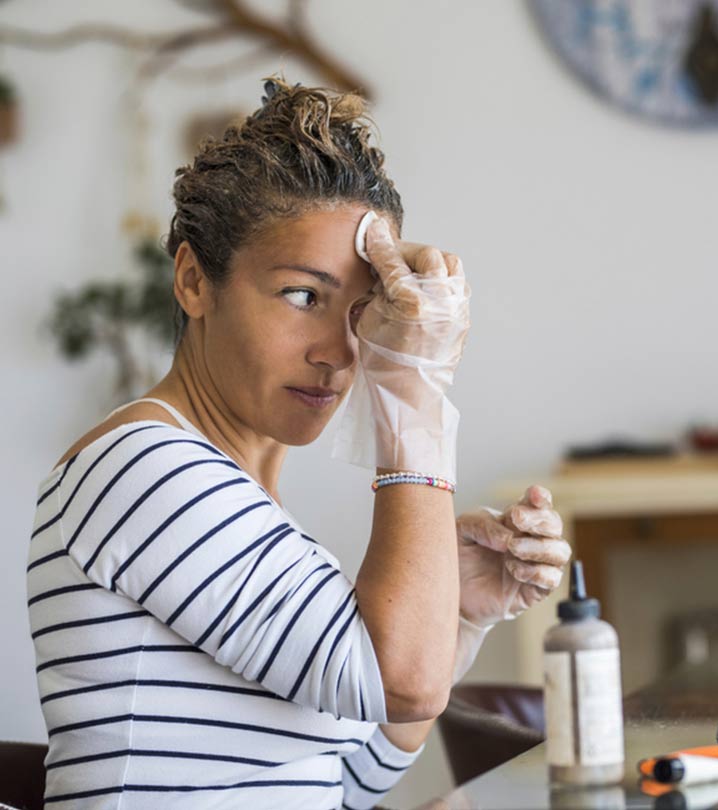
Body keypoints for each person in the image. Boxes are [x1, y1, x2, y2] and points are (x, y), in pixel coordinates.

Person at [27, 78, 570, 809]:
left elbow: (346, 782)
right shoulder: (143, 470)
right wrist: (412, 394)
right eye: (302, 296)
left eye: (362, 309)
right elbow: (402, 681)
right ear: (193, 280)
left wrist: (459, 615)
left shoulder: (238, 501)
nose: (339, 352)